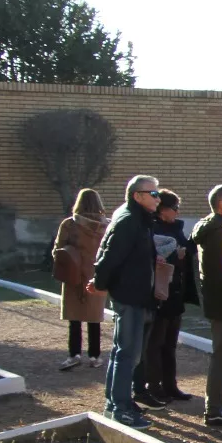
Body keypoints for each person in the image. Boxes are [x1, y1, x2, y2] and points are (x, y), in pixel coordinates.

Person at [89, 175, 161, 428]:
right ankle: (119, 407)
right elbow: (109, 255)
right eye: (153, 193)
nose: (158, 198)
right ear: (137, 196)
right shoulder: (129, 220)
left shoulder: (138, 218)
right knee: (127, 353)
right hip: (128, 295)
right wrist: (99, 283)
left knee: (126, 352)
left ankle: (117, 401)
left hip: (137, 294)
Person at [134, 189, 198, 406]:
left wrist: (185, 252)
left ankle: (171, 385)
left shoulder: (176, 228)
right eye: (175, 208)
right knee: (156, 343)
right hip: (161, 291)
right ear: (163, 210)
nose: (178, 212)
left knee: (170, 343)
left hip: (177, 291)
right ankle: (154, 385)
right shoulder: (153, 228)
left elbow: (188, 251)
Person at [192, 185, 222, 426]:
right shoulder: (219, 231)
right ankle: (213, 408)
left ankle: (219, 402)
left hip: (218, 300)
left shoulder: (210, 226)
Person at [52, 188, 106, 371]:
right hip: (97, 275)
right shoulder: (106, 225)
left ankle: (74, 354)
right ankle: (95, 356)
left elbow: (58, 250)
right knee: (94, 318)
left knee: (74, 318)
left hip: (74, 274)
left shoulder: (70, 224)